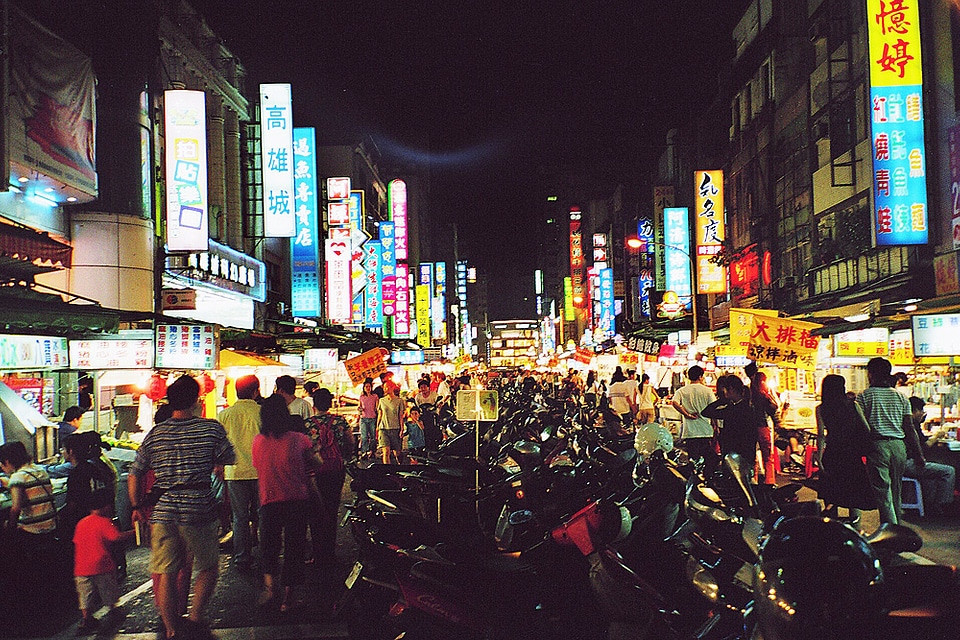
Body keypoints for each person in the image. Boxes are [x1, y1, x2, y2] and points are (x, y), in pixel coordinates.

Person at [128, 375, 236, 639]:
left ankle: (171, 628)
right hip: (198, 507)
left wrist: (136, 505)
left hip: (163, 510)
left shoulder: (156, 433)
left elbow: (135, 472)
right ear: (196, 400)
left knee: (166, 571)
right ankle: (195, 617)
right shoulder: (210, 428)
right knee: (209, 565)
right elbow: (229, 457)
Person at [252, 394, 321, 611]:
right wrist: (315, 454)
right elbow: (317, 464)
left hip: (268, 499)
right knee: (295, 547)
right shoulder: (299, 439)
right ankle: (289, 598)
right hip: (296, 500)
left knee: (269, 546)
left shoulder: (258, 441)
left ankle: (271, 589)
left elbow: (258, 467)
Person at [856, 357, 925, 526]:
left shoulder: (864, 397)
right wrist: (919, 455)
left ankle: (891, 533)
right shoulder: (902, 398)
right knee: (896, 490)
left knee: (883, 493)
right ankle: (897, 529)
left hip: (877, 446)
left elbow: (860, 426)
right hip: (899, 447)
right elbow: (910, 428)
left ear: (870, 374)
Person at [815, 375, 877, 528]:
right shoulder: (853, 405)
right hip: (851, 453)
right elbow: (866, 428)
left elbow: (821, 435)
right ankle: (855, 530)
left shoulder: (821, 408)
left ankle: (833, 528)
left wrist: (819, 457)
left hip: (833, 452)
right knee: (853, 493)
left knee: (832, 492)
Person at [73, 491, 134, 634]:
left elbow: (76, 542)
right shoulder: (104, 522)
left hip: (81, 567)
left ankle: (86, 618)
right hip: (102, 565)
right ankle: (113, 609)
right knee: (108, 590)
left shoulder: (81, 523)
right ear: (106, 506)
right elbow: (115, 537)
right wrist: (133, 532)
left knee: (85, 594)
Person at [216, 375, 262, 571]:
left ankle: (242, 558)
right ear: (256, 391)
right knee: (263, 514)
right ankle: (267, 555)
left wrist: (218, 466)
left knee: (240, 516)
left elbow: (218, 446)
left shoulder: (224, 415)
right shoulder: (262, 412)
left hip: (234, 473)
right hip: (260, 471)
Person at [304, 388, 353, 566]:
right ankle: (329, 552)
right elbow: (350, 442)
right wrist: (346, 456)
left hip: (315, 473)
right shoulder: (340, 421)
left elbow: (304, 450)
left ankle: (318, 552)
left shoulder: (307, 424)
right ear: (330, 403)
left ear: (314, 404)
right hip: (335, 470)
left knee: (316, 511)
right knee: (332, 510)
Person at [701, 375, 760, 478]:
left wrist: (721, 401)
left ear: (731, 389)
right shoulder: (746, 407)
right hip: (744, 452)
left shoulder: (734, 409)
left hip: (735, 453)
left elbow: (706, 412)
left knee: (734, 484)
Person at [906, 396, 955, 516]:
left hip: (904, 461)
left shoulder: (910, 424)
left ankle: (931, 504)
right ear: (915, 411)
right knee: (949, 471)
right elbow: (923, 446)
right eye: (921, 410)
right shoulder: (911, 425)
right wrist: (936, 436)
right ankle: (944, 505)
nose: (922, 414)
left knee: (934, 470)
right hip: (909, 463)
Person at [671, 366, 718, 469]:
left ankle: (695, 480)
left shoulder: (682, 390)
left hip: (690, 432)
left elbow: (674, 402)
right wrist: (715, 426)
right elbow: (714, 409)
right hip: (705, 430)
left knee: (693, 460)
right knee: (707, 460)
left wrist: (687, 414)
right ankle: (707, 479)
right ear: (700, 376)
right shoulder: (707, 391)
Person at [749, 370, 781, 484]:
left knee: (752, 457)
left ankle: (753, 481)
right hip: (763, 427)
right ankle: (769, 481)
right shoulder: (764, 396)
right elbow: (774, 409)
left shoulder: (748, 395)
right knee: (767, 457)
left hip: (750, 429)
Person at [377, 382, 405, 464]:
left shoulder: (399, 401)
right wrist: (377, 427)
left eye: (389, 387)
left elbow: (400, 416)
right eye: (385, 387)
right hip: (384, 428)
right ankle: (388, 471)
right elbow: (380, 414)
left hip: (395, 428)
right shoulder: (381, 400)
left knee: (397, 453)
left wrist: (402, 429)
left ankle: (400, 466)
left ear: (393, 388)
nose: (386, 389)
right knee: (386, 452)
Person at [413, 378, 443, 450]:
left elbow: (439, 403)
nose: (423, 389)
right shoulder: (418, 397)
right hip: (423, 415)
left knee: (436, 427)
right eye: (421, 387)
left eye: (424, 387)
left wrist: (439, 405)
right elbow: (417, 406)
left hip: (433, 414)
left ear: (428, 387)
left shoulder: (434, 394)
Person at [357, 378, 379, 460]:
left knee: (373, 437)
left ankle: (372, 451)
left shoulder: (375, 396)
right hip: (363, 418)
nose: (368, 388)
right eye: (366, 387)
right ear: (364, 388)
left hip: (372, 418)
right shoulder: (362, 397)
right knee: (364, 436)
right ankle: (364, 452)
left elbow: (377, 407)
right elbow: (359, 407)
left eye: (369, 386)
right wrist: (359, 410)